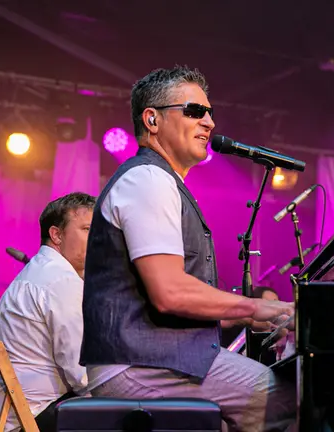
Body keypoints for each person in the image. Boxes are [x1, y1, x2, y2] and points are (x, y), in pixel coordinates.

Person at [80, 66, 296, 432]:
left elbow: (159, 304)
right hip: (141, 367)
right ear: (152, 119)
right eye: (195, 111)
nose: (209, 122)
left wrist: (249, 317)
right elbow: (170, 293)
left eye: (210, 112)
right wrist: (260, 305)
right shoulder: (148, 179)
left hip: (150, 361)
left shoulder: (157, 180)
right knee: (292, 400)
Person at [0, 192, 95, 432]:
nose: (97, 238)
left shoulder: (38, 273)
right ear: (56, 235)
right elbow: (82, 373)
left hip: (5, 417)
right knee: (132, 413)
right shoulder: (60, 280)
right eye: (86, 229)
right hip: (30, 417)